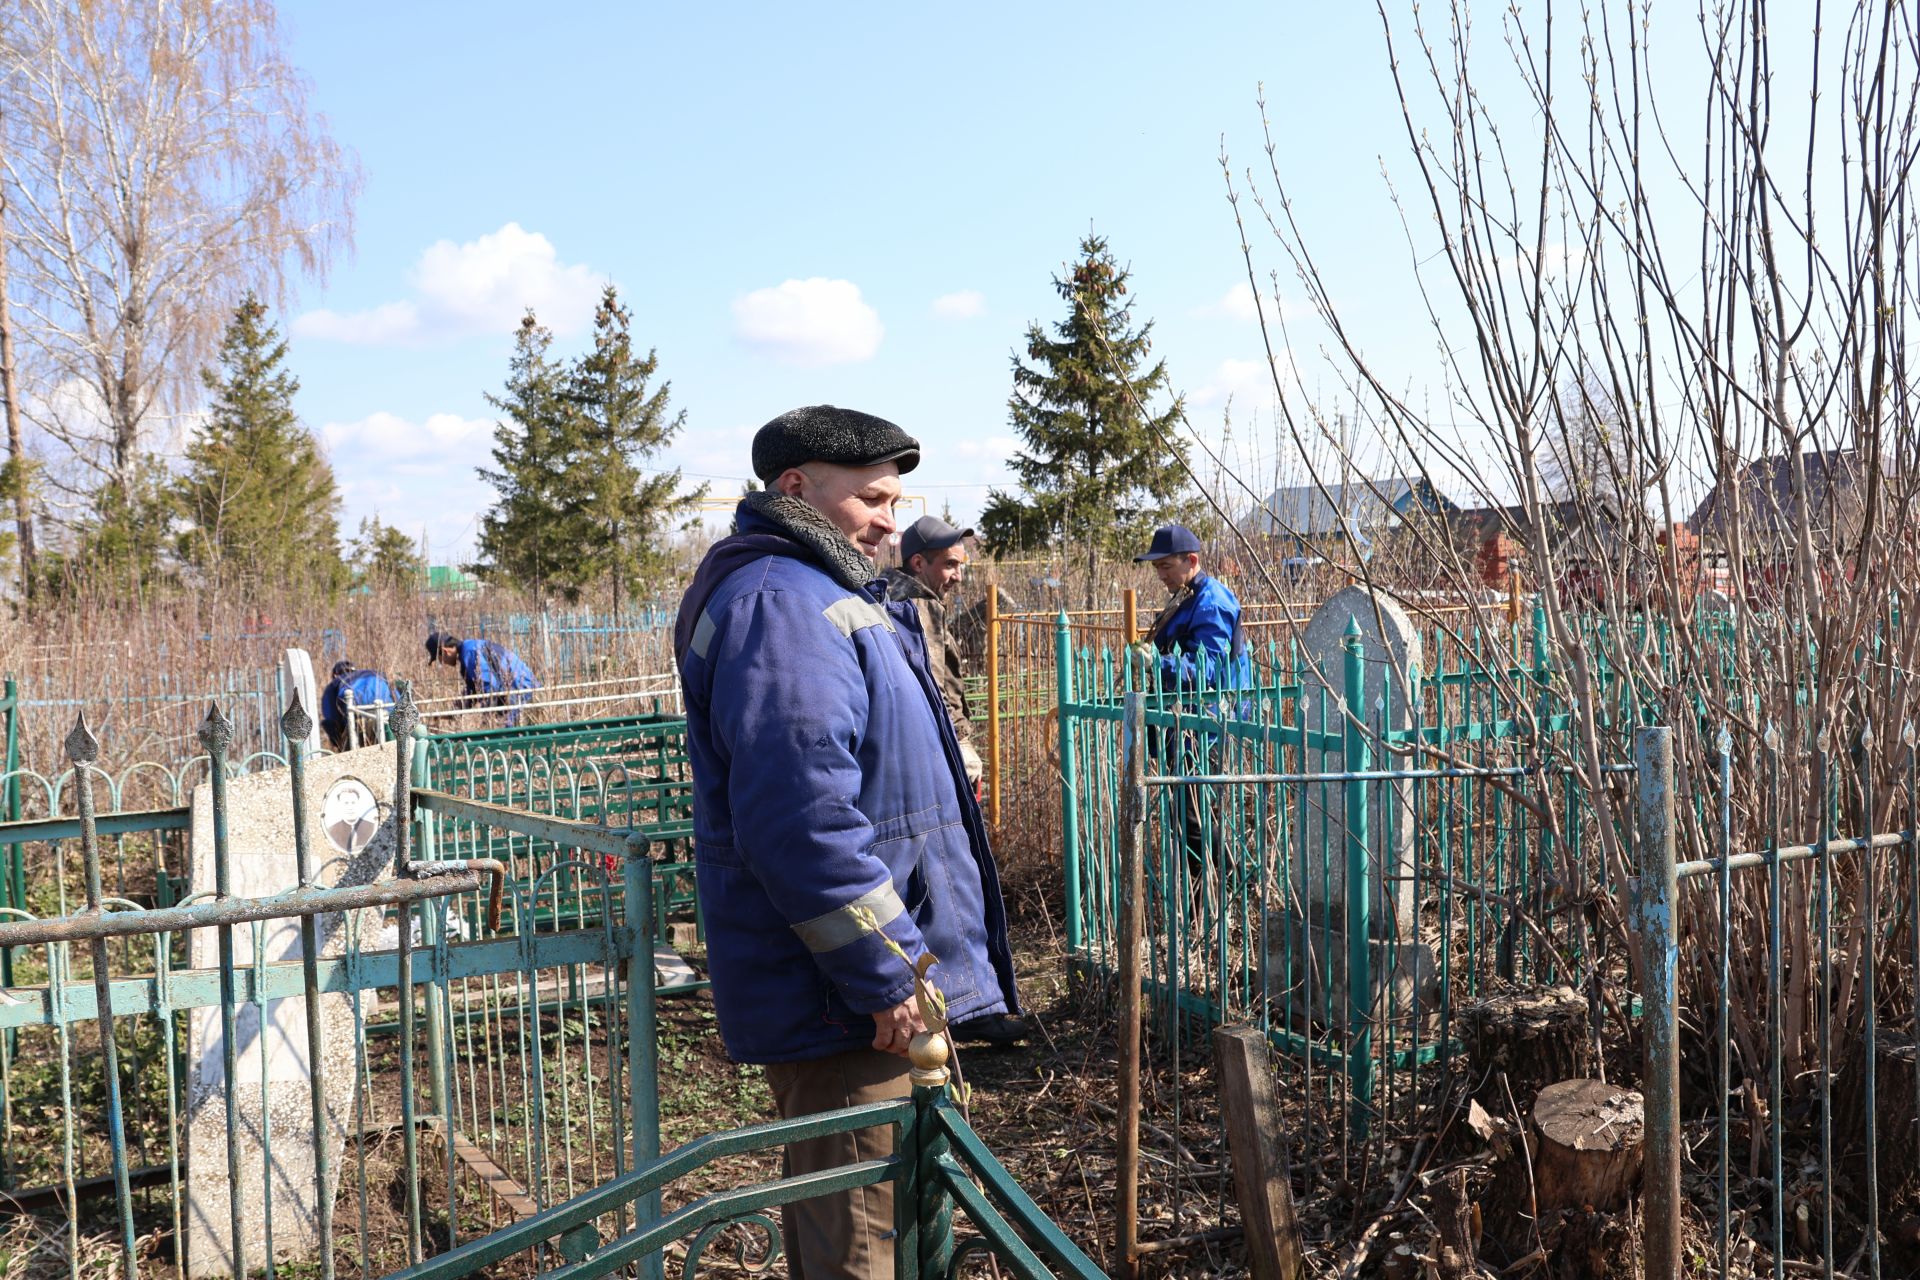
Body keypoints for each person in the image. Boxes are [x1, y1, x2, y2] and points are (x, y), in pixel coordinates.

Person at [673, 405, 1020, 1280]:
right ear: (796, 488)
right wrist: (887, 973)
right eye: (870, 497)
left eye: (894, 501)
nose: (888, 520)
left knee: (895, 1229)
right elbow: (802, 821)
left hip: (868, 996)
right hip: (845, 1008)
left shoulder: (823, 592)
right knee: (863, 1247)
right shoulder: (781, 605)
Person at [1132, 524, 1251, 909]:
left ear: (1192, 561)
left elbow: (1210, 669)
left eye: (1166, 566)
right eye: (1157, 568)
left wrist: (1159, 664)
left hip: (1207, 723)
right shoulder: (1186, 596)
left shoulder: (1211, 602)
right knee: (1187, 816)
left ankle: (1221, 896)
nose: (1161, 574)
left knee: (1195, 816)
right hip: (1183, 721)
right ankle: (1215, 895)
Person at [883, 515, 983, 793]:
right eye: (950, 564)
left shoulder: (887, 595)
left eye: (960, 566)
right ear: (918, 563)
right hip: (930, 752)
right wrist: (960, 744)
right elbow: (935, 687)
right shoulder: (919, 607)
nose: (958, 577)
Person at [424, 632, 540, 726]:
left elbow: (489, 688)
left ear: (445, 651)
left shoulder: (470, 652)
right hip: (517, 690)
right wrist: (452, 713)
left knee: (502, 735)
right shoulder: (468, 651)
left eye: (439, 659)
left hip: (522, 690)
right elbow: (473, 692)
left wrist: (486, 723)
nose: (442, 663)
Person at [318, 660, 396, 751]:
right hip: (388, 717)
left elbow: (331, 717)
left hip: (357, 721)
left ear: (335, 674)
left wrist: (337, 741)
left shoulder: (336, 682)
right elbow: (397, 699)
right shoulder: (376, 674)